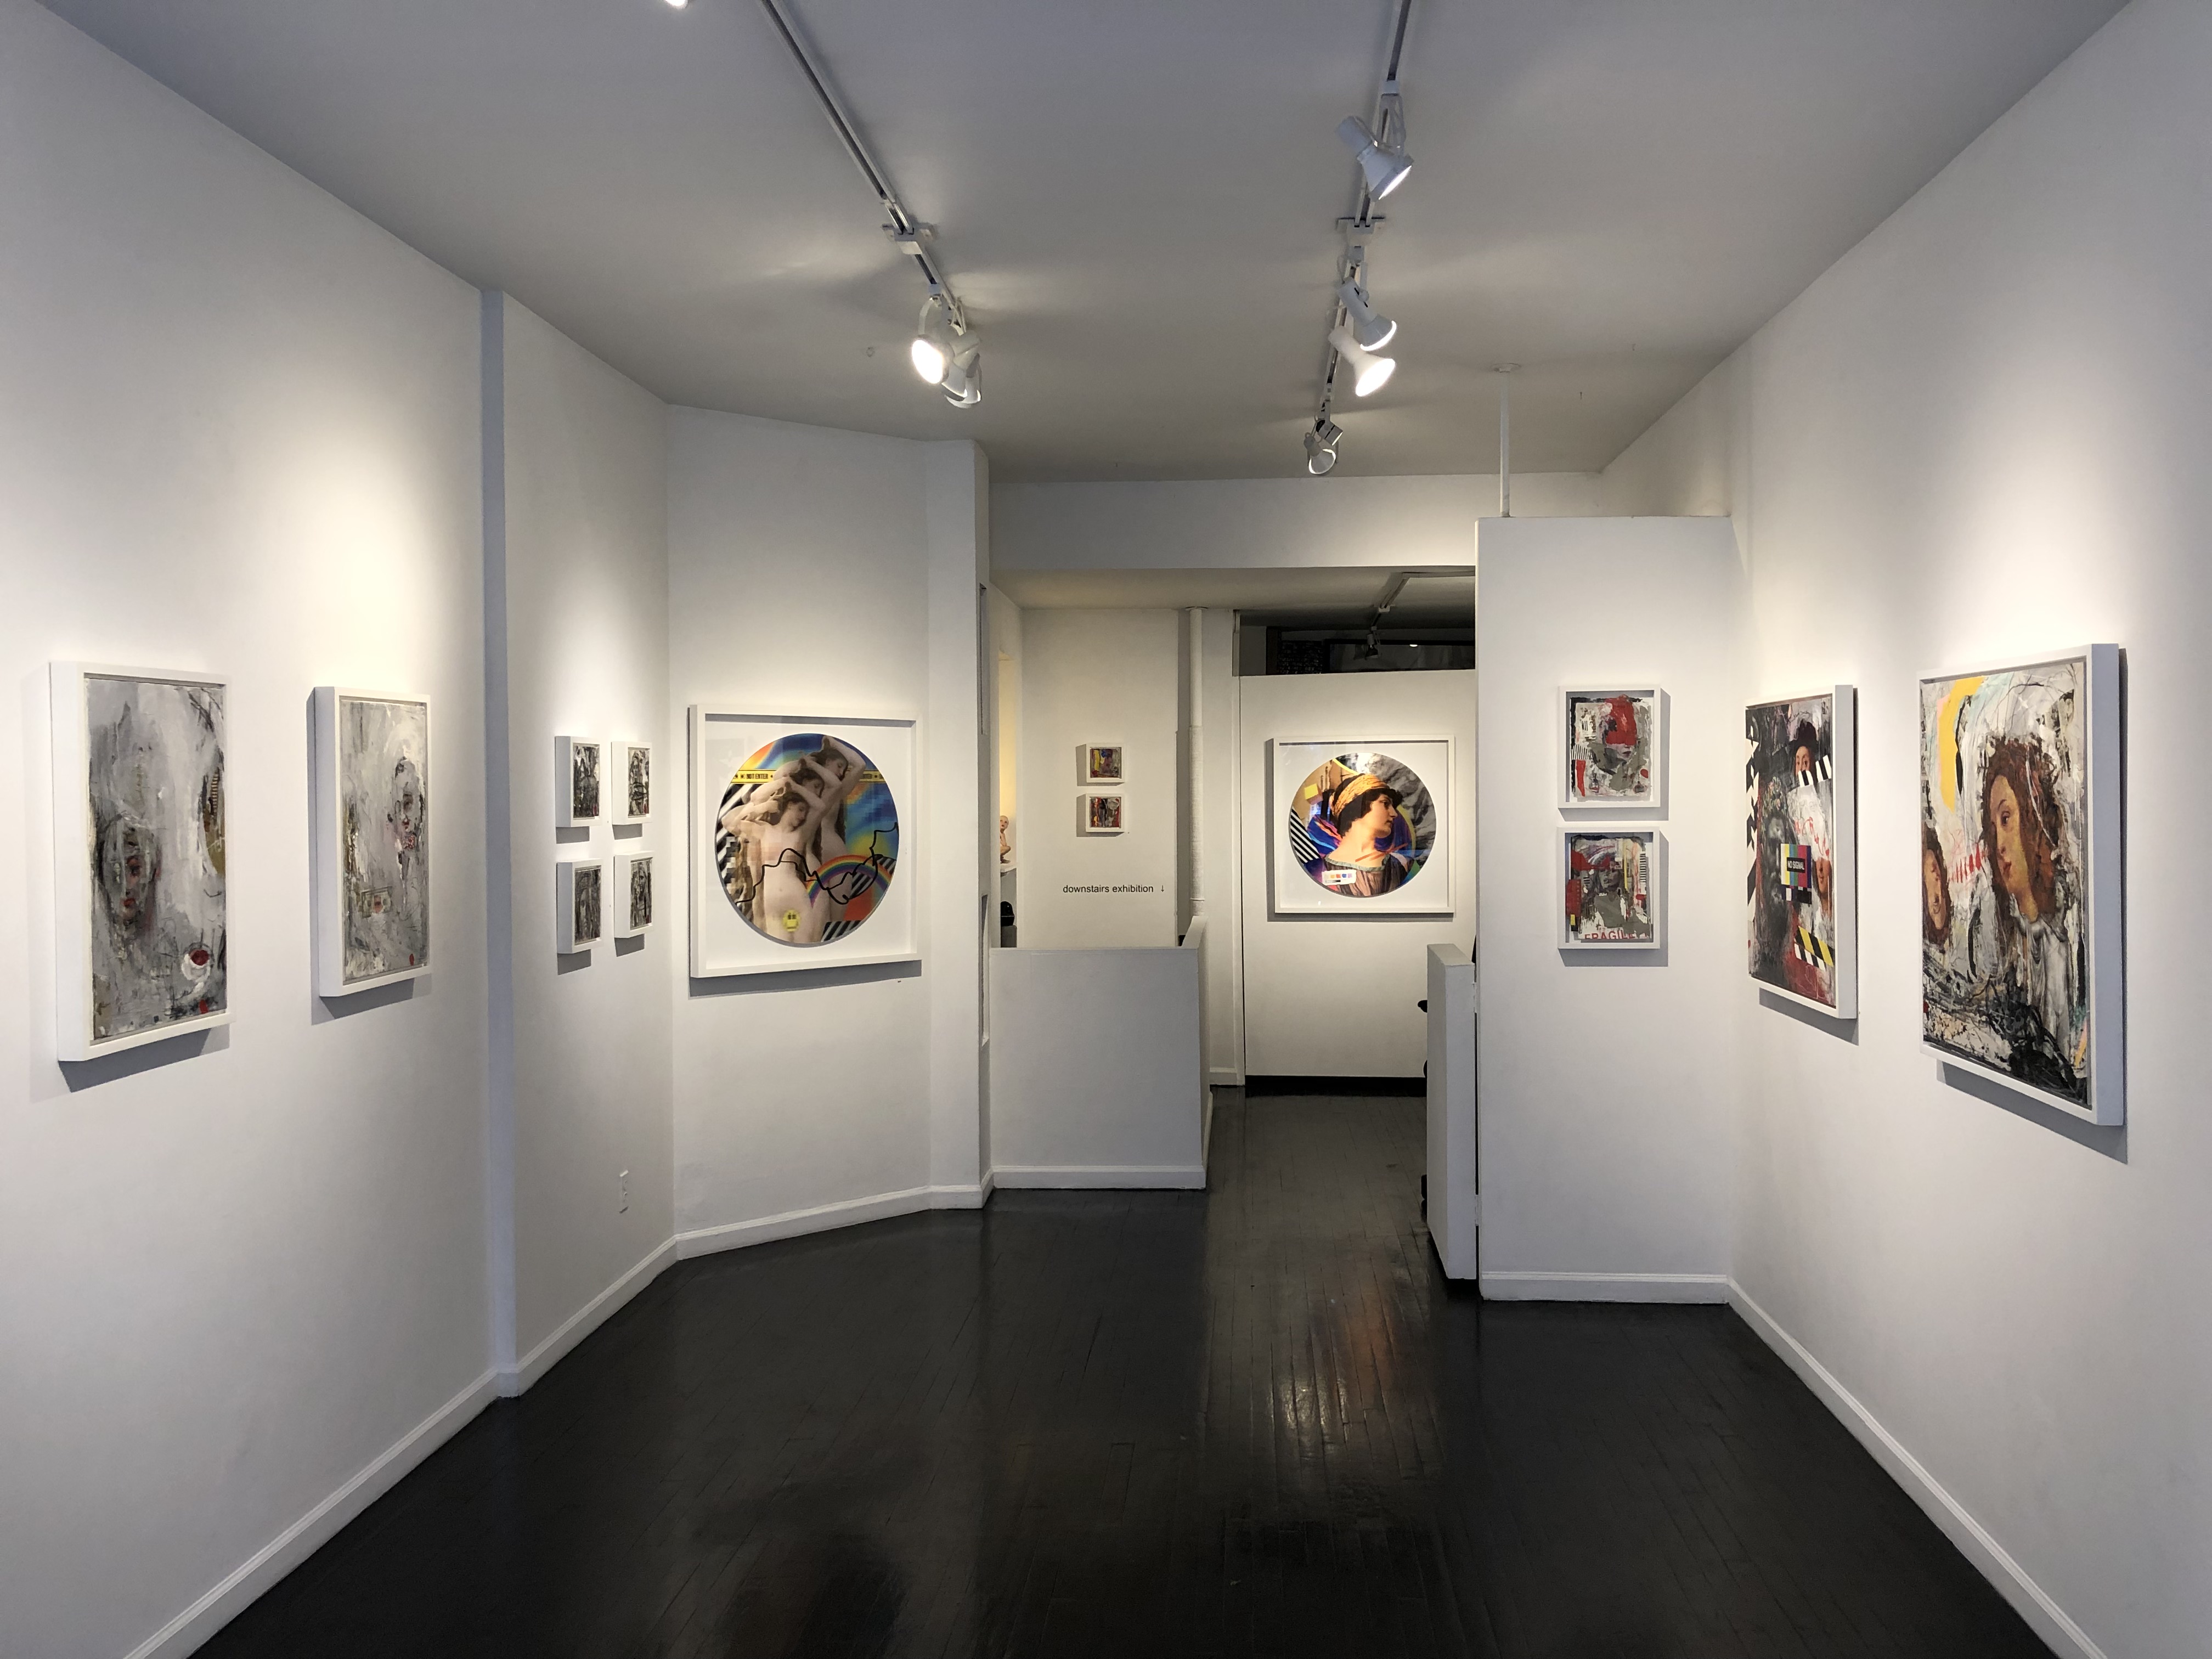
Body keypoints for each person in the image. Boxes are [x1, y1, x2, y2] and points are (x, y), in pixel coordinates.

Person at [1317, 774, 1409, 896]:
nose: (1394, 814)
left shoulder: (1402, 865)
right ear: (1359, 805)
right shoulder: (1318, 870)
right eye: (1385, 803)